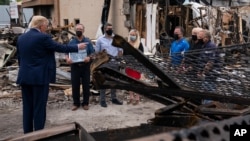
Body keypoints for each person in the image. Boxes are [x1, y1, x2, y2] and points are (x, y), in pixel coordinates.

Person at [16, 15, 87, 133]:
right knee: (39, 107)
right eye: (46, 25)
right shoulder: (43, 37)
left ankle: (27, 134)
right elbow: (59, 47)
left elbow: (20, 58)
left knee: (27, 107)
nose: (47, 27)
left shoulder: (21, 38)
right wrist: (77, 47)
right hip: (39, 78)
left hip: (25, 77)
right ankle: (39, 134)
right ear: (41, 25)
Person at [65, 24, 95, 111]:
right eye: (77, 29)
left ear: (83, 30)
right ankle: (76, 103)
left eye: (80, 29)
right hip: (75, 66)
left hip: (85, 66)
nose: (79, 30)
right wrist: (67, 58)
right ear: (75, 30)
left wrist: (89, 57)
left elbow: (93, 53)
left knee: (86, 85)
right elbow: (66, 52)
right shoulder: (71, 42)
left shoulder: (88, 41)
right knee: (75, 85)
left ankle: (85, 103)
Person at [95, 23, 123, 107]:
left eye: (111, 28)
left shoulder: (116, 39)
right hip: (104, 64)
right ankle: (102, 100)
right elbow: (97, 53)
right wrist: (101, 53)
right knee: (103, 81)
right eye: (108, 28)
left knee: (114, 81)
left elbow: (120, 51)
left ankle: (114, 98)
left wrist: (119, 59)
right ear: (105, 29)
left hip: (114, 63)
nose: (110, 30)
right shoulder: (100, 40)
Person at [125, 29, 144, 105]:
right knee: (129, 82)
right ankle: (131, 97)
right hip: (129, 66)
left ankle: (137, 97)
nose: (132, 36)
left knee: (137, 82)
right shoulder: (127, 44)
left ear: (137, 36)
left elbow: (142, 55)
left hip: (137, 66)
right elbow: (125, 54)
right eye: (131, 35)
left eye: (134, 35)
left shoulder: (139, 44)